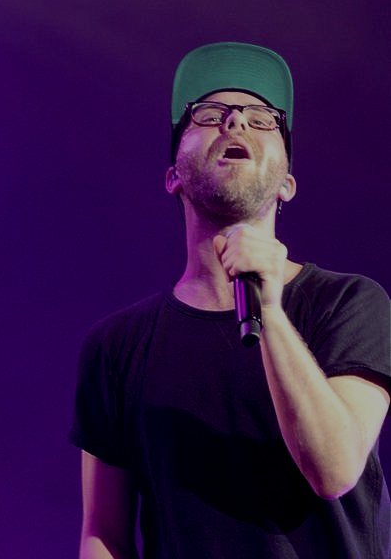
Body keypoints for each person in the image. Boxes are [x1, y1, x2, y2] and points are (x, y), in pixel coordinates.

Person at [70, 42, 391, 558]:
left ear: (287, 184)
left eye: (263, 119)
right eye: (208, 114)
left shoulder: (348, 303)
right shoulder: (116, 346)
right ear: (173, 176)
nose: (235, 121)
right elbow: (104, 532)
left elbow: (333, 471)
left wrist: (269, 310)